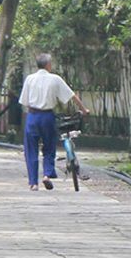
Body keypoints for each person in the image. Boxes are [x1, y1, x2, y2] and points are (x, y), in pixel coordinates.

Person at [19, 52, 87, 190]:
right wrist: (84, 109)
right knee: (49, 147)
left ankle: (33, 183)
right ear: (48, 65)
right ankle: (47, 175)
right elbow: (72, 96)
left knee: (31, 149)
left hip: (32, 116)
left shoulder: (29, 79)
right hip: (47, 117)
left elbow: (24, 101)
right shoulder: (55, 79)